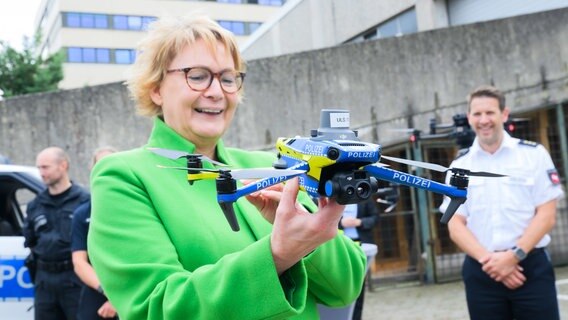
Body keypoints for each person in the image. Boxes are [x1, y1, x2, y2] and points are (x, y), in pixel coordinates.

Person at [87, 14, 366, 319]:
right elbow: (156, 308)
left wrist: (312, 240)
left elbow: (345, 288)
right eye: (197, 75)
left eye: (228, 78)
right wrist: (278, 255)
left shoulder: (271, 166)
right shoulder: (123, 175)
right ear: (155, 88)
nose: (217, 91)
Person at [443, 85, 565, 320]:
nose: (484, 120)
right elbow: (455, 224)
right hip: (482, 272)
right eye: (477, 114)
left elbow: (547, 214)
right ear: (469, 118)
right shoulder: (459, 166)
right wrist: (490, 262)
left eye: (490, 113)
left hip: (530, 267)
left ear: (504, 114)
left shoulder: (533, 155)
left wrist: (513, 256)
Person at [23, 146, 90, 320]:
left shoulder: (84, 201)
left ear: (63, 165)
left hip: (75, 280)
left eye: (45, 167)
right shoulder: (35, 205)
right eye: (38, 168)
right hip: (44, 281)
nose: (41, 172)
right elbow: (30, 240)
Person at [71, 147, 118, 320]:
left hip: (131, 290)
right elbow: (79, 262)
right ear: (93, 170)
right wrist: (109, 294)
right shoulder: (83, 213)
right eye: (100, 165)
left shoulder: (138, 207)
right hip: (96, 291)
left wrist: (119, 298)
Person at [339, 197, 379, 320]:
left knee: (359, 285)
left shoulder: (365, 198)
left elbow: (375, 218)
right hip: (340, 246)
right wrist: (341, 223)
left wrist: (360, 222)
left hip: (361, 245)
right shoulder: (331, 197)